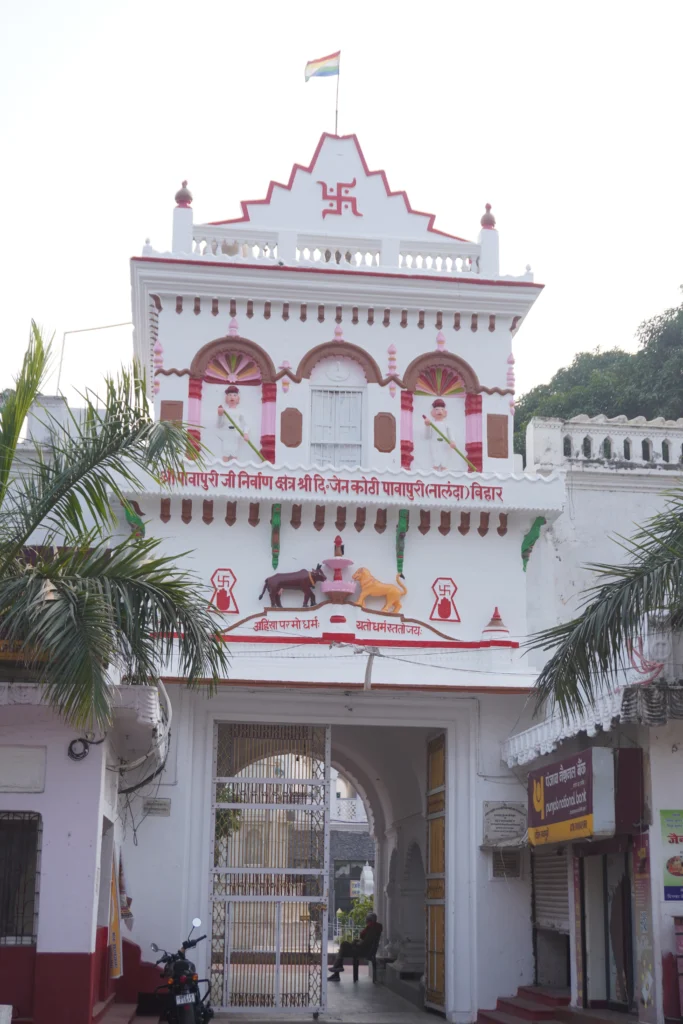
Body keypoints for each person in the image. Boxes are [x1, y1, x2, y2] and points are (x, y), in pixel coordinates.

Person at [328, 912, 383, 981]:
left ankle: (337, 969)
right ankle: (337, 968)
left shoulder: (371, 928)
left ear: (369, 920)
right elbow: (366, 940)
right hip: (365, 949)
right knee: (342, 949)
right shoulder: (375, 927)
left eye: (366, 919)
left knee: (344, 945)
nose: (365, 920)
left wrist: (356, 943)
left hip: (362, 951)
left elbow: (366, 943)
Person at [216, 385, 249, 463]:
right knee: (226, 452)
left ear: (238, 399)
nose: (232, 397)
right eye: (230, 395)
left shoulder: (240, 411)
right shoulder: (225, 411)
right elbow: (219, 424)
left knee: (234, 453)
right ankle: (224, 469)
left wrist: (245, 433)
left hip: (235, 434)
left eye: (234, 395)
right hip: (227, 434)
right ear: (226, 398)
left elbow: (245, 424)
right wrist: (220, 415)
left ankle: (234, 469)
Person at [424, 398, 457, 471]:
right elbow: (427, 436)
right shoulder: (432, 424)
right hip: (434, 443)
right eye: (437, 409)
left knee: (444, 454)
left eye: (442, 409)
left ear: (445, 412)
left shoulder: (446, 425)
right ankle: (435, 466)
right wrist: (427, 426)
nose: (439, 411)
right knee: (435, 454)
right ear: (432, 412)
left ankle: (444, 466)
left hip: (444, 443)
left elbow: (450, 434)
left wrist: (452, 441)